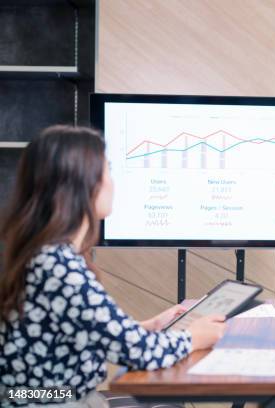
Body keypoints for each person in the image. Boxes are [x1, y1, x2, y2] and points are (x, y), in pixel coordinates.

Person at [0, 125, 225, 406]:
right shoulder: (58, 266)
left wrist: (150, 326)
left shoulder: (46, 255)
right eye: (107, 170)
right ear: (82, 183)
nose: (113, 182)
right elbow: (137, 353)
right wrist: (194, 336)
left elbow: (91, 334)